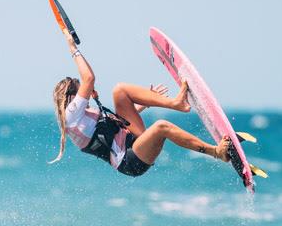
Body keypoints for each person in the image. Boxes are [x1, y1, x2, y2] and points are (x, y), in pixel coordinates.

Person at [50, 29, 231, 177]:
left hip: (132, 140)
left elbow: (118, 124)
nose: (86, 93)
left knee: (119, 90)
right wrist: (72, 47)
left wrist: (145, 102)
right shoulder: (71, 116)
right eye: (81, 90)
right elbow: (89, 78)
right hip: (129, 160)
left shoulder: (82, 118)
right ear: (70, 96)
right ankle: (217, 153)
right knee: (161, 127)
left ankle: (177, 103)